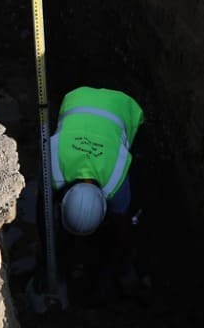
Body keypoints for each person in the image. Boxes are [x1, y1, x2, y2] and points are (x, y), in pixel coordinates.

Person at [51, 86, 143, 236]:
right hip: (78, 98)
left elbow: (121, 219)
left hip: (112, 102)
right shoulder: (53, 170)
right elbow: (121, 219)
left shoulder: (116, 181)